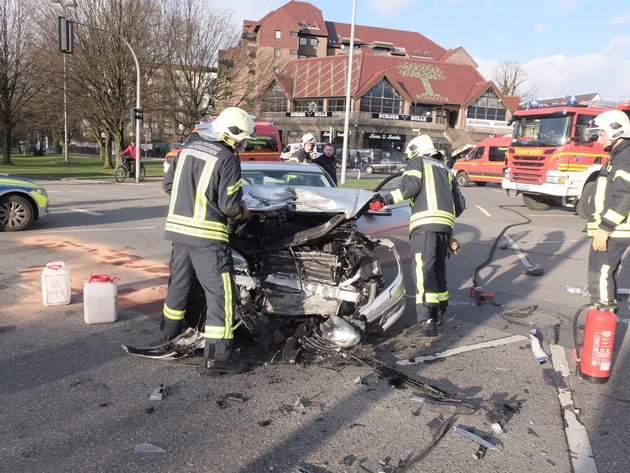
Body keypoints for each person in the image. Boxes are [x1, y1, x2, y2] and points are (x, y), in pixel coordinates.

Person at [160, 107, 255, 374]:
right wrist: (244, 212)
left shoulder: (187, 149)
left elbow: (168, 186)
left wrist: (190, 202)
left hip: (179, 233)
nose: (243, 144)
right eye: (242, 140)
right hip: (208, 237)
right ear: (231, 135)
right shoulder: (228, 159)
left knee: (179, 284)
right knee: (220, 296)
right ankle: (219, 358)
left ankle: (169, 333)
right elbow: (230, 207)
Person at [370, 135, 466, 337]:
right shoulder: (446, 169)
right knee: (438, 268)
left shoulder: (418, 162)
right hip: (445, 228)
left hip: (424, 226)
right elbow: (460, 205)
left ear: (415, 149)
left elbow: (409, 187)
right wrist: (444, 220)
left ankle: (427, 318)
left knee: (424, 270)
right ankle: (440, 310)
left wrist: (383, 199)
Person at [586, 110, 630, 313]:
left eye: (602, 133)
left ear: (616, 132)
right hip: (613, 229)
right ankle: (602, 326)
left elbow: (624, 195)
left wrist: (605, 228)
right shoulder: (618, 156)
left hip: (615, 230)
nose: (598, 137)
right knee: (602, 273)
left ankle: (602, 324)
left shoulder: (624, 158)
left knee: (601, 274)